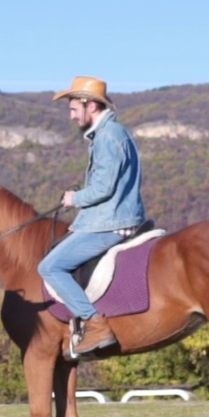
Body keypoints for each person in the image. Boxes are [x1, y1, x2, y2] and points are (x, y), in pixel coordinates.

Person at [39, 76, 146, 356]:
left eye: (74, 109)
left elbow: (103, 187)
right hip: (110, 217)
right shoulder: (113, 134)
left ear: (91, 106)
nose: (72, 116)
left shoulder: (108, 137)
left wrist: (75, 198)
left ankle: (93, 322)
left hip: (109, 222)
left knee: (50, 267)